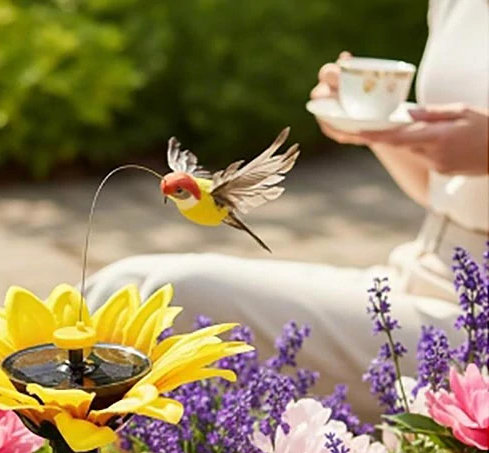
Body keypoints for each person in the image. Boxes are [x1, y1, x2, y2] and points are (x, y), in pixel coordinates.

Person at [85, 0, 489, 419]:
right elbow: (441, 189)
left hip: (471, 325)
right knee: (124, 288)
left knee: (170, 299)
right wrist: (373, 128)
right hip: (421, 271)